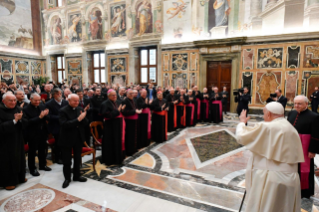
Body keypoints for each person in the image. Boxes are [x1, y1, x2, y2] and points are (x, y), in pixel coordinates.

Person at [236, 102, 304, 211]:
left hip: (270, 180)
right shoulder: (291, 129)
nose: (264, 117)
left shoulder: (266, 126)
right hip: (291, 180)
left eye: (264, 114)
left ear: (269, 114)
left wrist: (242, 123)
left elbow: (241, 136)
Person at [287, 95, 319, 198]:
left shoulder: (314, 116)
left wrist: (312, 150)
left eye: (299, 103)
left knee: (304, 168)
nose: (296, 105)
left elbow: (316, 135)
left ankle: (304, 191)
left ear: (306, 104)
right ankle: (291, 186)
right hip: (292, 145)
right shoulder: (291, 113)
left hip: (305, 147)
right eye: (295, 103)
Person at [59, 94, 89, 188]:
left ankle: (77, 176)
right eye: (74, 101)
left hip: (78, 137)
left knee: (77, 158)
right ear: (69, 100)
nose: (76, 102)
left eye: (77, 100)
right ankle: (67, 178)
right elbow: (64, 125)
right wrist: (78, 119)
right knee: (67, 160)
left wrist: (83, 118)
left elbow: (85, 122)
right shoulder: (62, 111)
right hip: (67, 138)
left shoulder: (79, 108)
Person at [0, 93, 27, 190]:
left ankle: (20, 177)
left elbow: (25, 122)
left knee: (19, 158)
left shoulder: (18, 109)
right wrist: (14, 121)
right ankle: (8, 182)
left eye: (14, 100)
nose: (13, 102)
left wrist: (20, 121)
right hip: (5, 142)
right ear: (3, 101)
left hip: (18, 139)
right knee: (7, 161)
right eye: (10, 100)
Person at [23, 93, 51, 176]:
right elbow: (27, 122)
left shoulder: (42, 106)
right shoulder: (26, 109)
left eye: (39, 100)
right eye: (35, 100)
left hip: (43, 132)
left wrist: (46, 115)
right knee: (32, 152)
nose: (37, 102)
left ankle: (42, 165)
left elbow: (47, 118)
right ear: (30, 99)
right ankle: (32, 168)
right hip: (32, 133)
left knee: (42, 149)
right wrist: (40, 117)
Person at [100, 90, 125, 165]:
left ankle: (117, 159)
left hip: (117, 125)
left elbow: (119, 112)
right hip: (109, 127)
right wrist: (118, 111)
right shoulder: (104, 104)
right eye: (112, 95)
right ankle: (110, 160)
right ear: (108, 96)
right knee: (110, 143)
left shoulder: (117, 102)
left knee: (117, 141)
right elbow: (107, 115)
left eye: (115, 95)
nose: (114, 97)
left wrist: (121, 111)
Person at [46, 88, 68, 164]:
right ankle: (57, 158)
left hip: (65, 126)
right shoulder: (49, 104)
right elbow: (48, 116)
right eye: (57, 94)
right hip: (55, 126)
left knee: (65, 142)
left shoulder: (65, 102)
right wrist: (60, 118)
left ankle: (64, 156)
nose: (59, 95)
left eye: (60, 94)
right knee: (58, 143)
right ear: (53, 95)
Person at [122, 90, 142, 156]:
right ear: (127, 94)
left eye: (132, 93)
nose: (131, 95)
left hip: (134, 121)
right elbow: (125, 112)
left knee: (134, 135)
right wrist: (135, 111)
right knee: (129, 136)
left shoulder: (133, 100)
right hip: (129, 122)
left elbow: (135, 108)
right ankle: (129, 151)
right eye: (130, 93)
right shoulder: (125, 101)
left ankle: (134, 149)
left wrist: (137, 110)